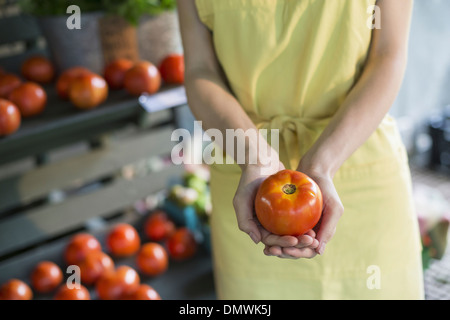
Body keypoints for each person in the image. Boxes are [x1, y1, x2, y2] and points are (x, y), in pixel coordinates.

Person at [177, 0, 424, 299]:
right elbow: (200, 70)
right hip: (248, 178)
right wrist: (255, 156)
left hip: (359, 163)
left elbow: (388, 56)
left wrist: (323, 164)